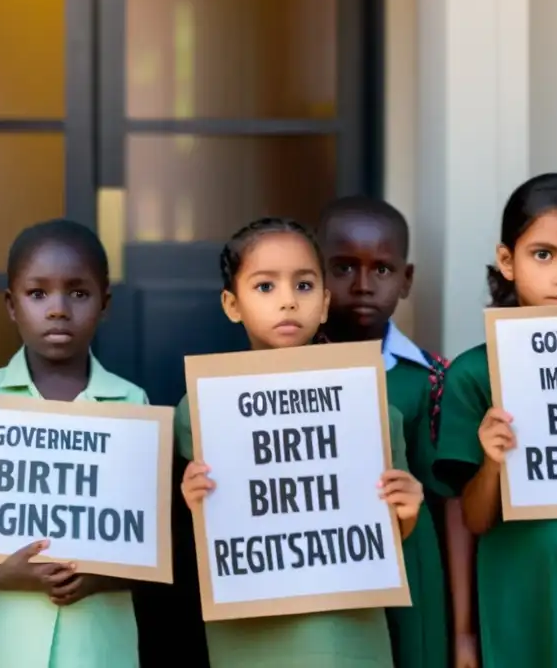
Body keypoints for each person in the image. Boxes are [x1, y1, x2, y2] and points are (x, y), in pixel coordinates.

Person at [176, 217, 424, 668]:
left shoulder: (370, 405)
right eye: (266, 287)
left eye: (305, 286)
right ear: (232, 304)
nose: (288, 301)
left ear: (326, 302)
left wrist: (407, 509)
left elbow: (389, 535)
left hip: (349, 628)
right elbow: (208, 538)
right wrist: (194, 503)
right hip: (252, 631)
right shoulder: (199, 410)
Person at [434, 173, 557, 668]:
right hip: (527, 592)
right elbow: (471, 518)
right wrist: (494, 462)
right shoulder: (475, 372)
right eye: (543, 254)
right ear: (506, 261)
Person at [0, 219, 147, 668]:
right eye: (38, 294)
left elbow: (150, 544)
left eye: (78, 293)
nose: (58, 309)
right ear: (11, 305)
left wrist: (99, 578)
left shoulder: (132, 404)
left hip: (97, 649)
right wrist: (0, 576)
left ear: (105, 304)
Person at [318, 197, 474, 668]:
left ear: (405, 280)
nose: (363, 285)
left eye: (382, 270)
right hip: (324, 571)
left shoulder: (434, 377)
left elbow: (452, 501)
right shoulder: (285, 376)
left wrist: (463, 629)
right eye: (343, 267)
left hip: (412, 570)